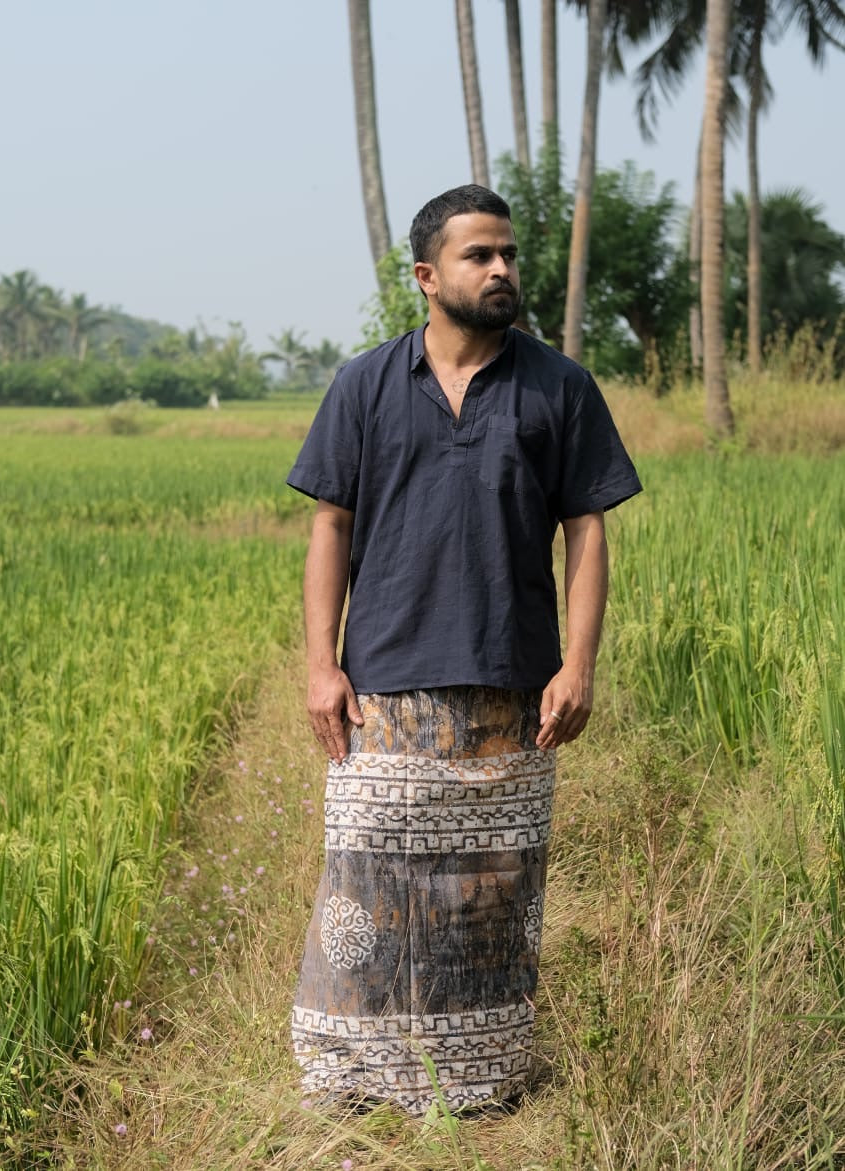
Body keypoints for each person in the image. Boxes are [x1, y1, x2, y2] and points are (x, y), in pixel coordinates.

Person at [286, 184, 641, 1116]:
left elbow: (587, 530)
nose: (501, 270)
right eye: (480, 255)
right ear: (426, 275)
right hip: (383, 693)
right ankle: (350, 1086)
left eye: (509, 254)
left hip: (509, 694)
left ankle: (477, 1091)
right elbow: (331, 523)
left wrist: (580, 662)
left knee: (487, 902)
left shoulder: (557, 385)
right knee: (366, 894)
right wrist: (320, 663)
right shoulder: (366, 383)